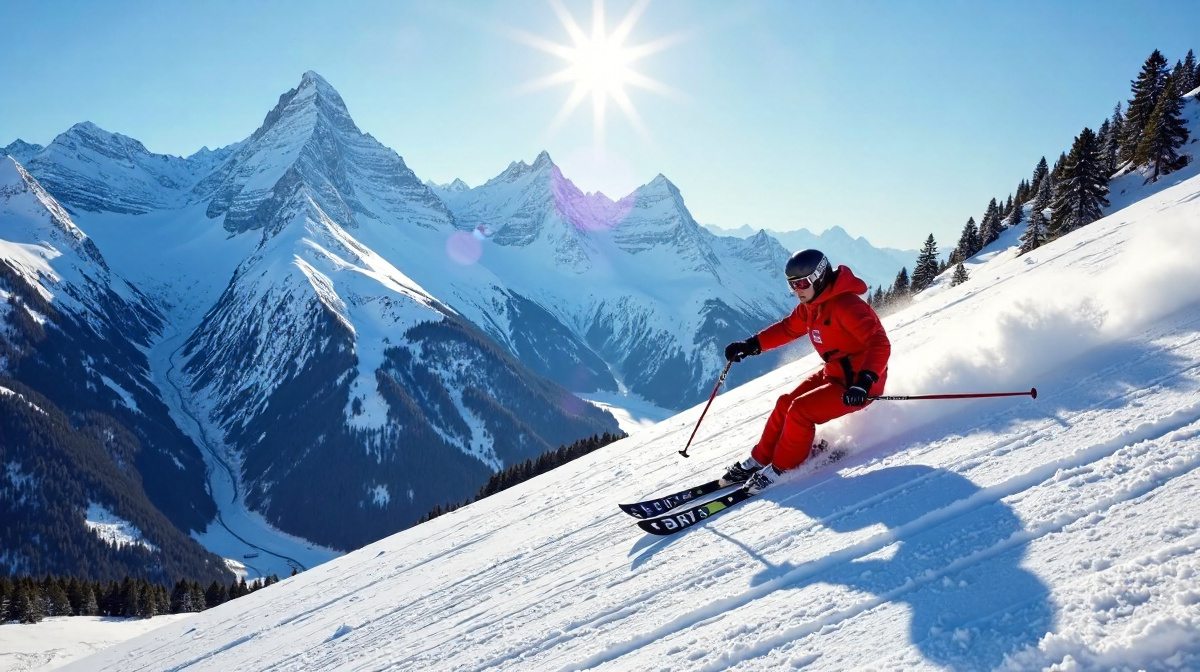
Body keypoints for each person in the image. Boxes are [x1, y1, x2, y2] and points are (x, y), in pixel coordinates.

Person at [720, 249, 890, 494]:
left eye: (801, 283)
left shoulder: (847, 306)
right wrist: (752, 345)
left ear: (819, 277)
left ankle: (783, 467)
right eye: (792, 285)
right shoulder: (811, 305)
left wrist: (864, 382)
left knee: (800, 411)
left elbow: (879, 342)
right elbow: (788, 329)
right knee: (785, 403)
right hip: (833, 374)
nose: (796, 290)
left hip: (858, 383)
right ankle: (760, 459)